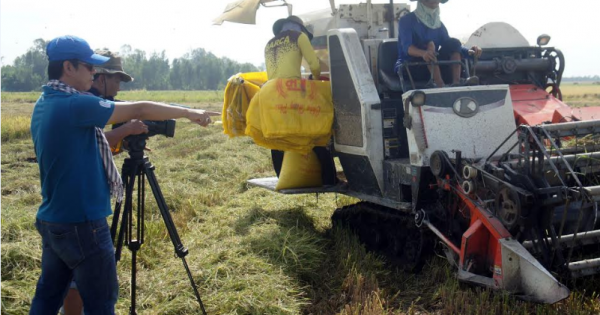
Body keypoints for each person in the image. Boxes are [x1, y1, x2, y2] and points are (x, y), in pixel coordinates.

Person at [29, 35, 219, 315]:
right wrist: (190, 112)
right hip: (83, 224)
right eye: (88, 67)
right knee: (101, 303)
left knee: (47, 298)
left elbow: (86, 145)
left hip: (53, 219)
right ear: (68, 67)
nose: (94, 73)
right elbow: (140, 108)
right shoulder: (75, 105)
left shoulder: (46, 102)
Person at [59, 49, 146, 315]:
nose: (119, 87)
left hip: (82, 198)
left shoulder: (87, 100)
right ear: (100, 77)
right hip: (80, 205)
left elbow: (98, 143)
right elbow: (89, 141)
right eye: (117, 79)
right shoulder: (86, 102)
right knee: (80, 269)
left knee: (79, 267)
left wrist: (123, 138)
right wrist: (126, 129)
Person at [264, 16, 337, 185]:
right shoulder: (299, 37)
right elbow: (315, 65)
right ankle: (330, 179)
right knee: (313, 133)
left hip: (270, 94)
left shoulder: (270, 43)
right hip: (290, 92)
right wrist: (315, 79)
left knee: (278, 137)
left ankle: (281, 177)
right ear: (300, 28)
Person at [394, 0, 482, 87]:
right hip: (411, 67)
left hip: (433, 66)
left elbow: (451, 46)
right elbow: (407, 48)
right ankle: (440, 86)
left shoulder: (438, 24)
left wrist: (470, 52)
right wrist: (424, 53)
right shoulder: (406, 21)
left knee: (454, 42)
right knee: (430, 45)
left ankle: (457, 83)